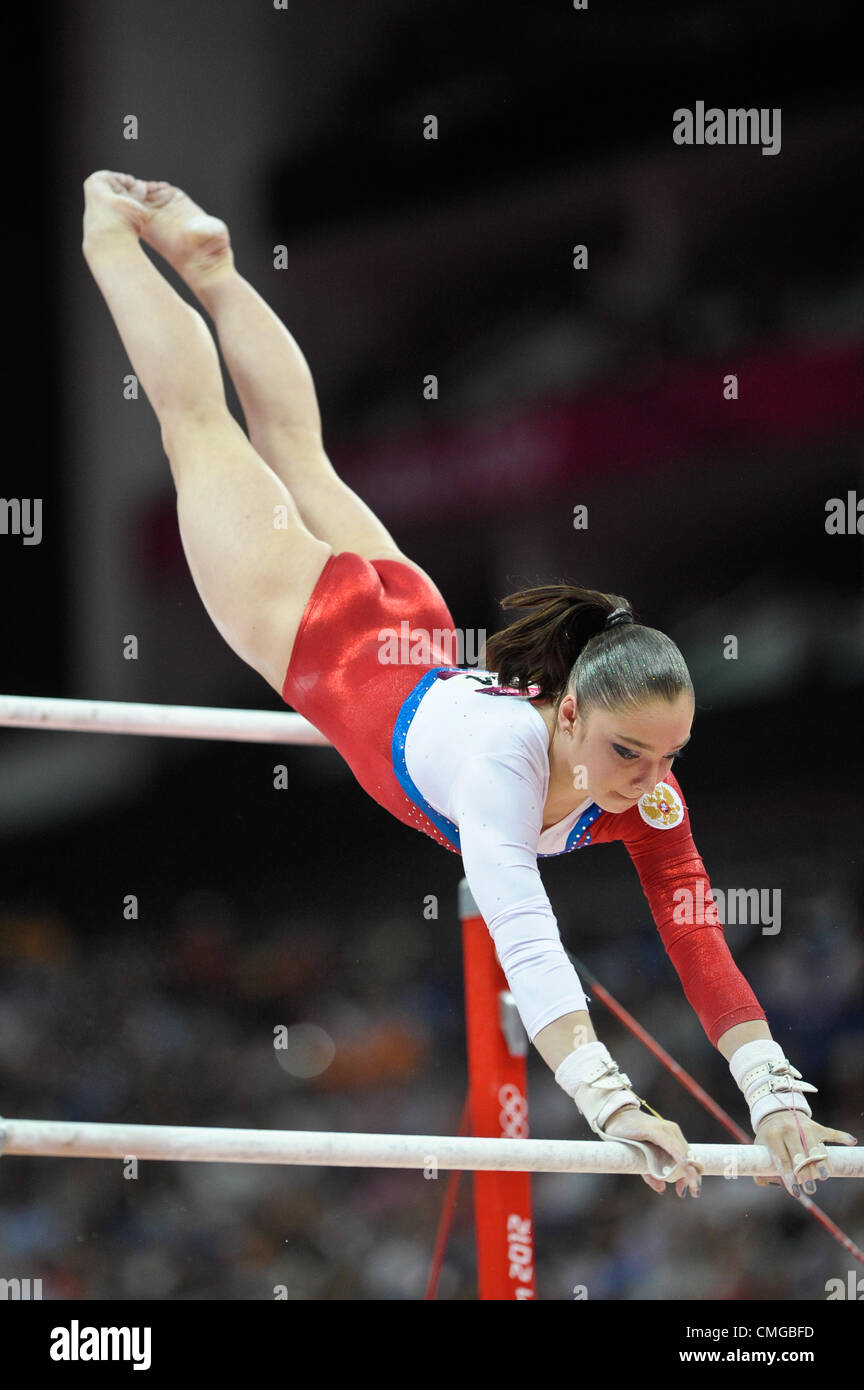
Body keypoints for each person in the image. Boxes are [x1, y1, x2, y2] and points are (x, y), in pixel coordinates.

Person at [82, 170, 856, 1202]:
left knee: (302, 457)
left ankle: (216, 268)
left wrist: (776, 1096)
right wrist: (610, 1100)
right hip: (315, 628)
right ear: (567, 712)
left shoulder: (650, 792)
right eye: (629, 752)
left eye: (670, 754)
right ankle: (106, 235)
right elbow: (524, 930)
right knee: (199, 428)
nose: (650, 779)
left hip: (411, 631)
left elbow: (697, 939)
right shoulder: (506, 759)